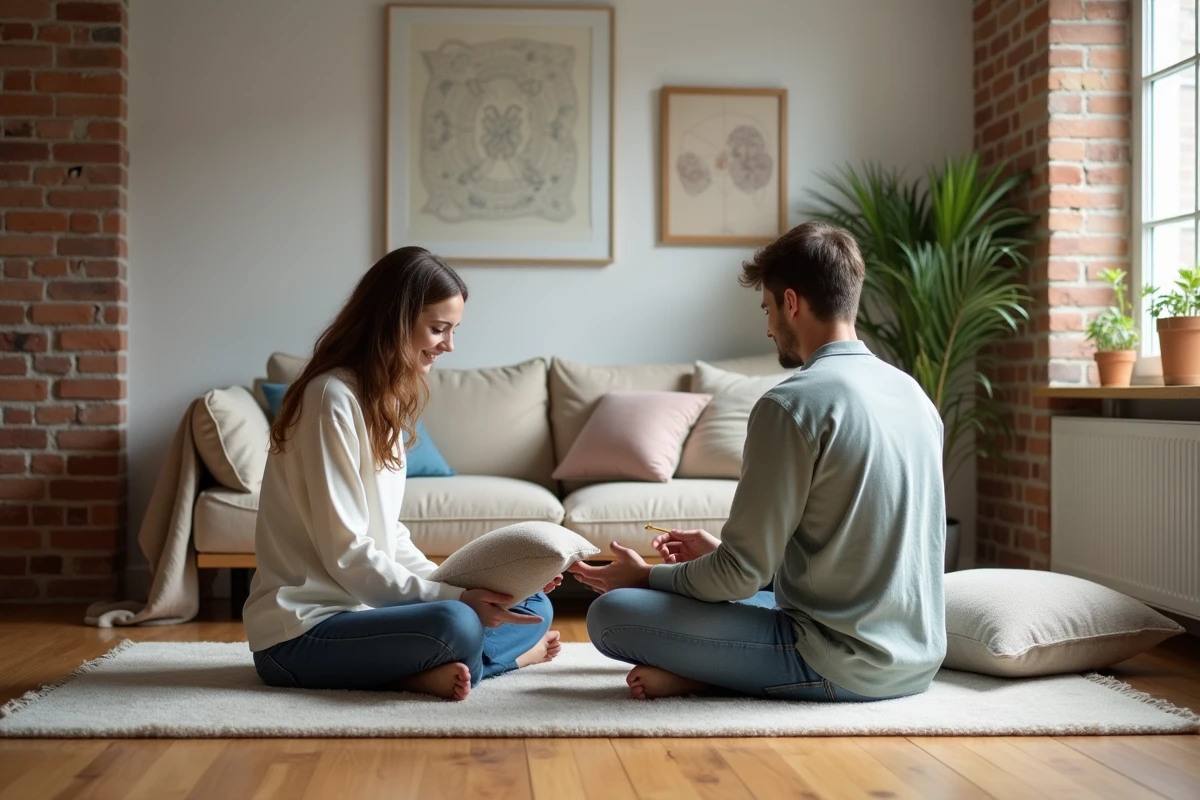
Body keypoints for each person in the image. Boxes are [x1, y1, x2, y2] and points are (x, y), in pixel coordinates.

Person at [570, 221, 946, 702]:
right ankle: (718, 669)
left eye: (768, 309)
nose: (768, 328)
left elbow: (737, 576)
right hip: (917, 662)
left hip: (839, 662)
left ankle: (714, 674)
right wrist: (720, 556)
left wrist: (643, 575)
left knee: (613, 613)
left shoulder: (792, 403)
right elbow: (852, 556)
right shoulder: (912, 394)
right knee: (735, 595)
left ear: (792, 302)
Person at [243, 246, 561, 701]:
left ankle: (435, 666)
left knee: (532, 605)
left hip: (370, 617)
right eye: (438, 328)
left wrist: (469, 587)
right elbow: (348, 553)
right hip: (302, 634)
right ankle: (500, 661)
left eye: (453, 330)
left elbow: (388, 534)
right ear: (394, 320)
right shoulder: (329, 398)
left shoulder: (386, 402)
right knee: (454, 621)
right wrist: (451, 600)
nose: (449, 346)